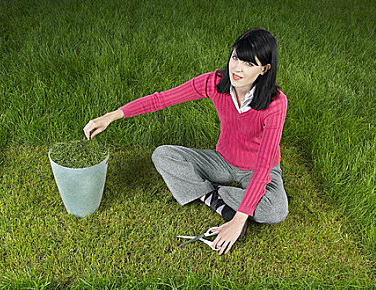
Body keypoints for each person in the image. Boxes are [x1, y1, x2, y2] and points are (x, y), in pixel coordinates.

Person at [83, 28, 288, 255]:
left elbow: (262, 166)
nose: (237, 68)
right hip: (223, 160)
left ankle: (215, 193)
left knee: (275, 211)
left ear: (264, 69)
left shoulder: (275, 103)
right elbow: (161, 99)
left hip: (260, 169)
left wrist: (238, 221)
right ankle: (217, 199)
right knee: (163, 155)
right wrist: (112, 115)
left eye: (249, 64)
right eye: (236, 57)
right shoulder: (215, 83)